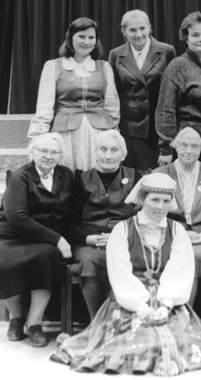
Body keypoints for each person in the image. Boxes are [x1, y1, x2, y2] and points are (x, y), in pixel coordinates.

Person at [51, 173, 201, 375]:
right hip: (130, 298)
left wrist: (166, 304)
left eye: (166, 201)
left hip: (166, 296)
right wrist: (139, 306)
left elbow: (179, 270)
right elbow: (120, 272)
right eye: (154, 200)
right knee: (133, 338)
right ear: (141, 199)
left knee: (178, 339)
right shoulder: (123, 230)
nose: (160, 207)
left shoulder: (177, 231)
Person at [0, 133, 74, 347]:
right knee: (0, 261)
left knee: (47, 257)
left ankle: (34, 323)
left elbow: (71, 213)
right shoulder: (21, 176)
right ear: (32, 152)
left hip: (43, 241)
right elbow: (17, 218)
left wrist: (62, 240)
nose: (48, 156)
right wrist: (58, 240)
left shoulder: (66, 176)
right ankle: (17, 318)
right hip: (8, 237)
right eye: (43, 151)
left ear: (60, 156)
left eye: (54, 152)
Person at [155, 127, 201, 336]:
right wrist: (179, 233)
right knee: (188, 256)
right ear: (175, 147)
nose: (189, 150)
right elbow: (155, 212)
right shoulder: (161, 174)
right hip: (173, 234)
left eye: (195, 146)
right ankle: (184, 318)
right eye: (184, 145)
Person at [28, 17, 120, 171]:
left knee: (95, 176)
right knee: (67, 175)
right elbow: (45, 106)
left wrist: (113, 134)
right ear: (70, 38)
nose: (86, 42)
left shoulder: (104, 67)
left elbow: (112, 105)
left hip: (98, 132)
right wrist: (38, 137)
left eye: (91, 37)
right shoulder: (54, 66)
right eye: (81, 36)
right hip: (66, 133)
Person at [70, 129, 142, 319]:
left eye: (114, 150)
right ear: (96, 152)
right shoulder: (80, 179)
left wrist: (121, 237)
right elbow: (70, 221)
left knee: (128, 260)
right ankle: (97, 322)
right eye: (103, 149)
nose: (108, 155)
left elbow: (141, 217)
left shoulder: (136, 177)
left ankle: (121, 321)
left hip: (125, 239)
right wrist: (87, 239)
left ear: (123, 155)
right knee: (88, 262)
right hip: (89, 241)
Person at [108, 9, 176, 171]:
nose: (138, 34)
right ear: (124, 32)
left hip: (159, 130)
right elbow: (113, 93)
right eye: (132, 30)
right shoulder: (115, 55)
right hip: (130, 130)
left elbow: (173, 92)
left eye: (142, 28)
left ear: (149, 28)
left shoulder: (167, 51)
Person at [155, 11, 201, 165]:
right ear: (186, 38)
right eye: (195, 35)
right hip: (187, 144)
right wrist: (166, 149)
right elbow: (166, 109)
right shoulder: (177, 66)